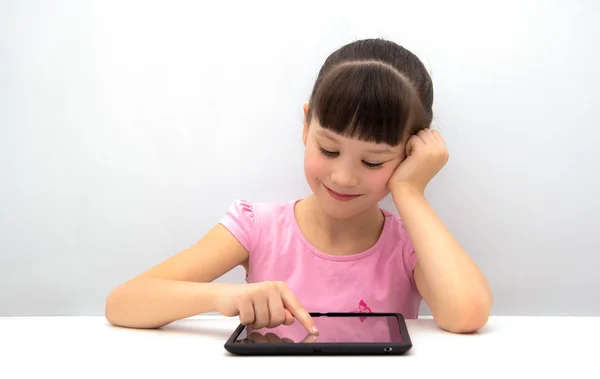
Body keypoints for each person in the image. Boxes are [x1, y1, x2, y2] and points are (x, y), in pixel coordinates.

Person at [105, 38, 493, 335]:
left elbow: (467, 314)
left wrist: (410, 190)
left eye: (373, 161)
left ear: (409, 153)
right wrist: (225, 297)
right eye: (328, 148)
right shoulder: (256, 227)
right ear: (306, 125)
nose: (343, 176)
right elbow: (123, 303)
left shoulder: (409, 245)